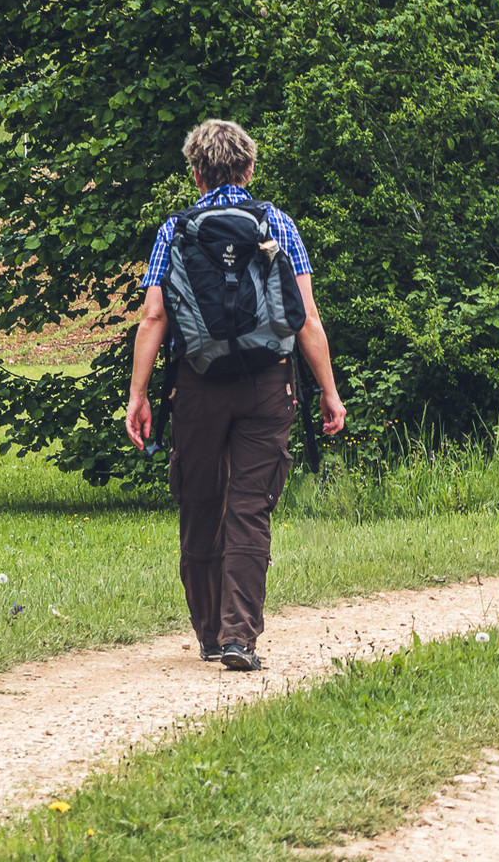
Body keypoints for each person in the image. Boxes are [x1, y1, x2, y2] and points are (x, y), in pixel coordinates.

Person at [124, 120, 347, 671]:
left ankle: (206, 634)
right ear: (250, 170)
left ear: (196, 174)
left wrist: (139, 394)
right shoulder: (277, 224)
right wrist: (329, 391)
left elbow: (154, 315)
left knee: (200, 502)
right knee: (250, 508)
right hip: (268, 384)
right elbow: (306, 318)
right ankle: (238, 640)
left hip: (198, 385)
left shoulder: (175, 230)